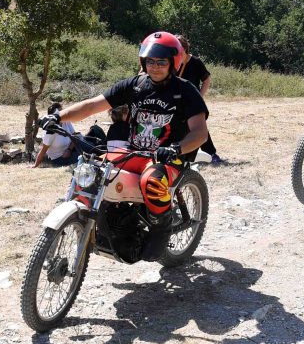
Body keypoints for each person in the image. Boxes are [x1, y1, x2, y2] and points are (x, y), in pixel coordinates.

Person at [43, 31, 209, 260]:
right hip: (133, 152)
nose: (155, 67)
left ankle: (161, 226)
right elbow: (92, 105)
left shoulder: (186, 91)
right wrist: (58, 117)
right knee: (92, 170)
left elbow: (200, 133)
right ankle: (107, 222)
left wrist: (176, 149)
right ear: (143, 61)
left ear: (174, 62)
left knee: (151, 182)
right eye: (150, 61)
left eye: (161, 62)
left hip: (169, 157)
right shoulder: (135, 85)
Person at [175, 34, 223, 165]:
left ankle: (211, 154)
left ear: (184, 48)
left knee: (198, 128)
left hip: (191, 102)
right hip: (175, 101)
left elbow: (206, 80)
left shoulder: (195, 62)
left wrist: (199, 96)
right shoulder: (172, 61)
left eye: (177, 47)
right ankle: (182, 156)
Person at [32, 102, 77, 168]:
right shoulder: (50, 130)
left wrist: (69, 150)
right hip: (60, 158)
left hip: (71, 150)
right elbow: (43, 150)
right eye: (60, 112)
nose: (63, 114)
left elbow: (75, 136)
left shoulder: (66, 122)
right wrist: (35, 165)